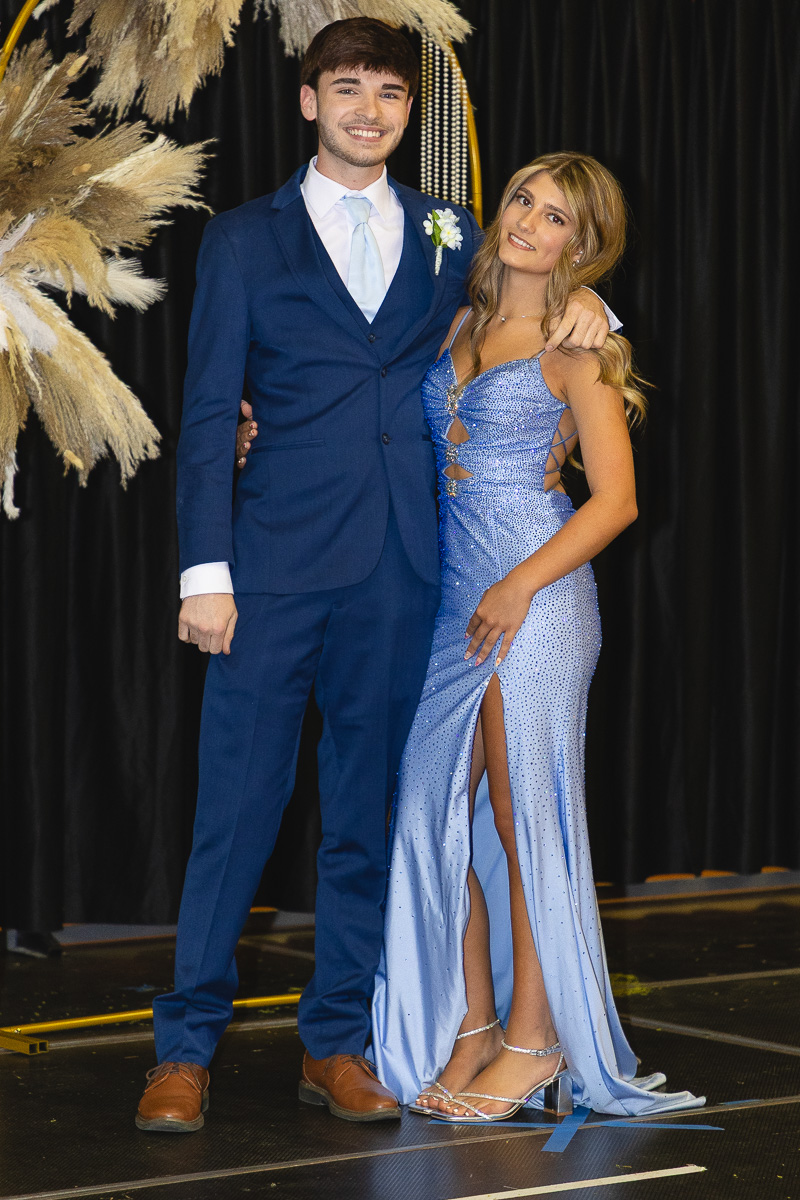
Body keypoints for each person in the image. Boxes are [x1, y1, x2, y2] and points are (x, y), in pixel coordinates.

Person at [137, 17, 612, 1134]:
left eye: (388, 94)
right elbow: (208, 414)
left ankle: (336, 1041)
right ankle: (183, 1049)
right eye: (346, 88)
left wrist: (595, 302)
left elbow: (530, 308)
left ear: (409, 112)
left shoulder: (455, 235)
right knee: (235, 814)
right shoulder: (242, 241)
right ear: (310, 103)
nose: (367, 110)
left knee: (370, 816)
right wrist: (203, 571)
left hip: (405, 572)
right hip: (267, 569)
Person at [369, 153, 706, 1120]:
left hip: (540, 598)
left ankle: (535, 1039)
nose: (528, 221)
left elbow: (618, 501)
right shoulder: (459, 320)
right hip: (456, 603)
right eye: (523, 199)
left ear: (583, 244)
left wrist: (519, 587)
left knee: (523, 823)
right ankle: (474, 1024)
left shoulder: (578, 344)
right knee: (431, 813)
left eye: (557, 217)